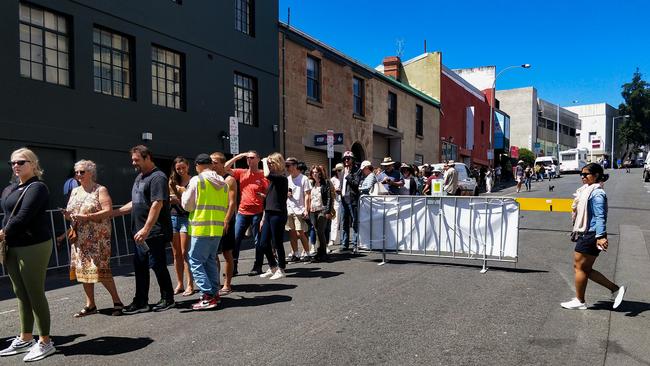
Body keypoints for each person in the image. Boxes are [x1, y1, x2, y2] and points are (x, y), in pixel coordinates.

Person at [0, 148, 55, 361]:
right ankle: (26, 337)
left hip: (34, 245)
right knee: (20, 292)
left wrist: (3, 233)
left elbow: (23, 216)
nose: (16, 166)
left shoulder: (38, 187)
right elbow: (7, 215)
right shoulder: (10, 188)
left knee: (34, 292)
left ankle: (45, 341)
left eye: (21, 162)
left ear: (33, 164)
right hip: (12, 245)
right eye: (12, 163)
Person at [113, 145, 175, 314]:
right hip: (140, 232)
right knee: (140, 266)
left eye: (137, 160)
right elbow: (135, 202)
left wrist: (146, 229)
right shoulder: (140, 177)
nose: (134, 163)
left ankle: (167, 298)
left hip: (154, 231)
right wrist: (113, 213)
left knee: (157, 265)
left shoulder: (158, 177)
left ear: (148, 157)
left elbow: (157, 203)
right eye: (133, 160)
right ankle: (141, 301)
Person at [561, 163, 626, 310]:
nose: (583, 177)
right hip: (588, 233)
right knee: (584, 269)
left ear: (596, 175)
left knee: (580, 268)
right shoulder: (586, 190)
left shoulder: (597, 193)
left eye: (586, 174)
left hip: (591, 234)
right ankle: (615, 289)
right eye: (581, 174)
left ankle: (580, 301)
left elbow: (600, 216)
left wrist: (601, 236)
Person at [64, 160, 123, 317]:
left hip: (98, 238)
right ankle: (90, 305)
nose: (78, 175)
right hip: (80, 238)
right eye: (76, 172)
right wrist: (68, 215)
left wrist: (87, 216)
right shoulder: (75, 191)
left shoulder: (100, 190)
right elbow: (71, 212)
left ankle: (117, 301)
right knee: (83, 271)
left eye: (82, 172)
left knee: (101, 270)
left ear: (91, 173)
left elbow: (108, 211)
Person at [181, 154, 228, 310]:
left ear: (198, 166)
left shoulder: (197, 180)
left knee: (194, 261)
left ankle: (208, 295)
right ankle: (215, 293)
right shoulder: (223, 182)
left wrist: (183, 193)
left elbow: (187, 205)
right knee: (209, 261)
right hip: (217, 229)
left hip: (201, 228)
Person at [224, 151, 268, 276]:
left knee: (257, 240)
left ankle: (258, 266)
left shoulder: (264, 174)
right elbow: (225, 168)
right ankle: (233, 267)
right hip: (242, 212)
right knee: (236, 239)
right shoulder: (242, 172)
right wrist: (239, 156)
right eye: (248, 158)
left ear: (258, 159)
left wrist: (264, 212)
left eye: (252, 158)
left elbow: (268, 195)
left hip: (257, 212)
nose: (249, 160)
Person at [258, 153, 289, 280]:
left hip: (278, 214)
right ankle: (273, 267)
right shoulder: (274, 180)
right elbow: (274, 197)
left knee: (277, 242)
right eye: (268, 163)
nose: (269, 165)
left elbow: (267, 175)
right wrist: (263, 217)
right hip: (269, 213)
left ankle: (281, 269)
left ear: (277, 163)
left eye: (271, 163)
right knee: (263, 243)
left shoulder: (281, 178)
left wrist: (264, 160)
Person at [210, 152, 238, 296]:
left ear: (222, 164)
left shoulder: (229, 180)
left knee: (227, 253)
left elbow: (232, 202)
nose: (212, 165)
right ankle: (216, 282)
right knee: (213, 253)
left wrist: (227, 219)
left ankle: (227, 284)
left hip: (226, 220)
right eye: (211, 162)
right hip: (213, 220)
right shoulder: (211, 179)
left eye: (215, 162)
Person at [168, 157, 194, 296]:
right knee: (176, 253)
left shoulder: (193, 181)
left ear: (188, 166)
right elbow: (166, 197)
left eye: (183, 167)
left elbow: (192, 200)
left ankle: (190, 284)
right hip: (173, 217)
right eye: (178, 168)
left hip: (187, 217)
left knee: (185, 253)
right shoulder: (172, 181)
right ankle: (180, 284)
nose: (181, 170)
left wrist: (179, 196)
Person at [284, 157, 312, 262]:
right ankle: (296, 254)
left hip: (299, 210)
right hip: (289, 209)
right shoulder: (287, 179)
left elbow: (307, 195)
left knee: (300, 233)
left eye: (288, 166)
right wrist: (287, 194)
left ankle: (308, 253)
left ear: (295, 166)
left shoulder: (304, 178)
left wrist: (306, 209)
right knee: (292, 233)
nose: (287, 168)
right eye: (286, 166)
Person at [306, 165, 335, 262]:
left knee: (320, 232)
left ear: (320, 173)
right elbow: (309, 197)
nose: (314, 174)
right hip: (313, 211)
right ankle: (320, 252)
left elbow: (329, 198)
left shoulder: (325, 183)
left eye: (316, 172)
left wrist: (327, 211)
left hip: (322, 210)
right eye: (313, 172)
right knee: (316, 231)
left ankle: (322, 253)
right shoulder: (311, 183)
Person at [339, 151, 362, 251]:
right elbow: (343, 184)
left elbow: (356, 184)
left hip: (352, 199)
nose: (346, 160)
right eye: (345, 159)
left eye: (348, 158)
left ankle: (356, 244)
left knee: (355, 222)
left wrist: (348, 176)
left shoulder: (357, 171)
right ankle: (345, 244)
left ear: (353, 160)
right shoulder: (343, 171)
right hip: (343, 198)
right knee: (344, 222)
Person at [328, 163, 344, 249]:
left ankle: (342, 238)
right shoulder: (333, 180)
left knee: (343, 221)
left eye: (340, 170)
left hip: (344, 201)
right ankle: (333, 239)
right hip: (336, 202)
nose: (339, 172)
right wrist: (335, 190)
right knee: (335, 221)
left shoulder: (345, 179)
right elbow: (329, 191)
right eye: (338, 170)